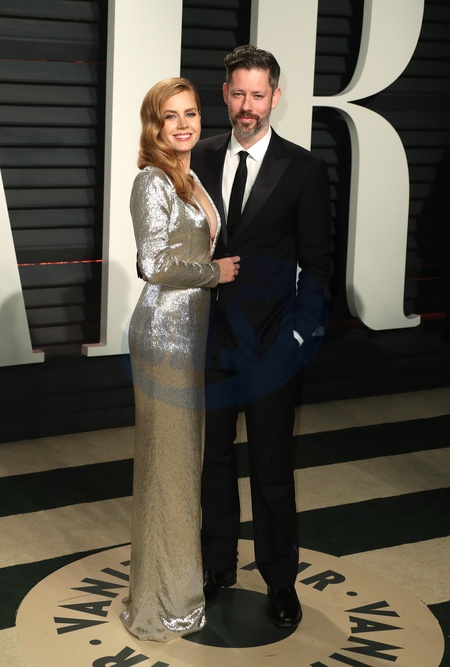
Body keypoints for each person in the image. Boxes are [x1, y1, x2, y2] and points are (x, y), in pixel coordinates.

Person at [191, 45, 332, 628]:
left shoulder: (304, 169)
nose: (247, 106)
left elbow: (317, 266)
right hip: (212, 340)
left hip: (274, 344)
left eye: (258, 94)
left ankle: (280, 579)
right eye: (238, 94)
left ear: (275, 97)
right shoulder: (198, 158)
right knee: (214, 462)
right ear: (225, 95)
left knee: (272, 467)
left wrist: (297, 340)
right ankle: (215, 566)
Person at [121, 77, 240, 642]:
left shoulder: (188, 178)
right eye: (171, 116)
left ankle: (176, 590)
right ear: (155, 124)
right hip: (164, 336)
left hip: (192, 336)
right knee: (167, 465)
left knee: (181, 464)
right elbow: (153, 263)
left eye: (190, 113)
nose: (184, 124)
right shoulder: (152, 180)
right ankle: (160, 603)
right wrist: (215, 272)